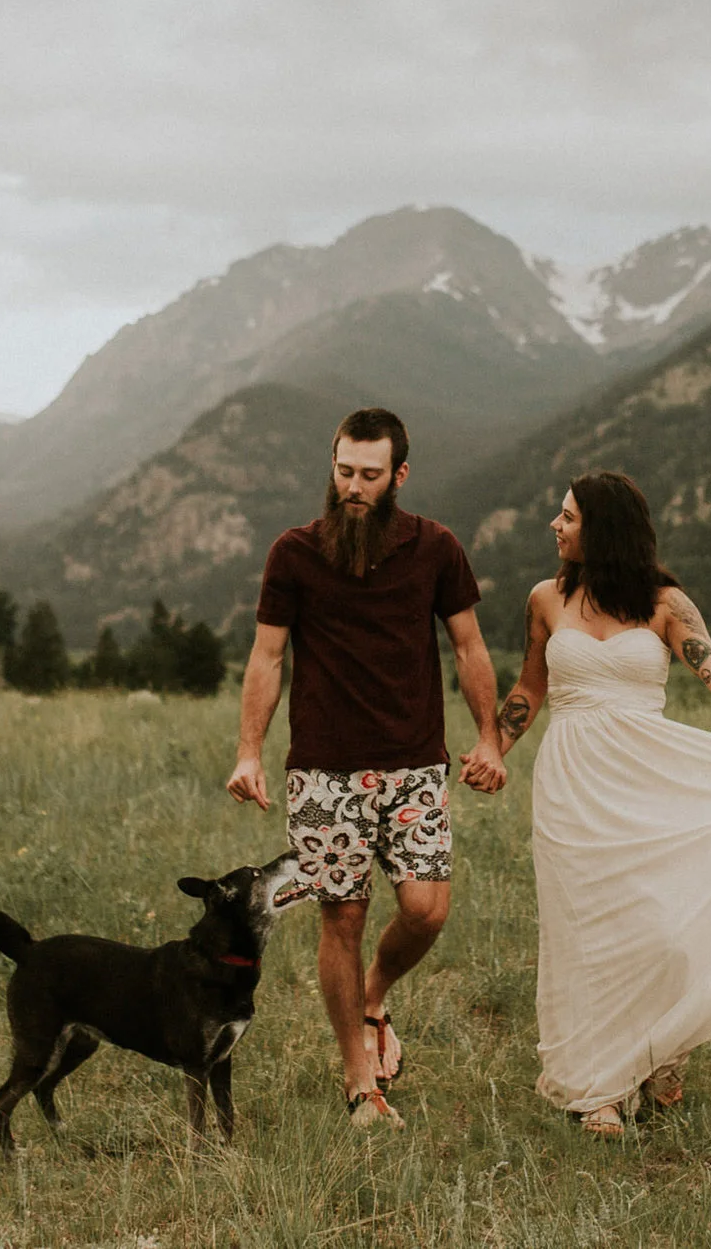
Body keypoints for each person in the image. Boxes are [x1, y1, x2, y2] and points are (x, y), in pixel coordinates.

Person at [488, 470, 711, 1137]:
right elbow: (530, 687)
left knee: (665, 925)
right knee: (584, 931)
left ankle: (663, 1045)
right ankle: (600, 1090)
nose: (554, 526)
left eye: (567, 516)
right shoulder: (544, 599)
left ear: (603, 528)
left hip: (647, 776)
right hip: (571, 783)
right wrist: (493, 747)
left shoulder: (665, 603)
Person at [225, 407, 506, 1130]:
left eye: (370, 475)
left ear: (399, 476)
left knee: (425, 908)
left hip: (415, 763)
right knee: (341, 916)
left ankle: (376, 995)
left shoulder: (436, 548)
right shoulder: (293, 554)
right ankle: (360, 1082)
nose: (353, 486)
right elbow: (267, 657)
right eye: (344, 471)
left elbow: (470, 648)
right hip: (324, 771)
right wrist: (249, 750)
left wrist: (489, 738)